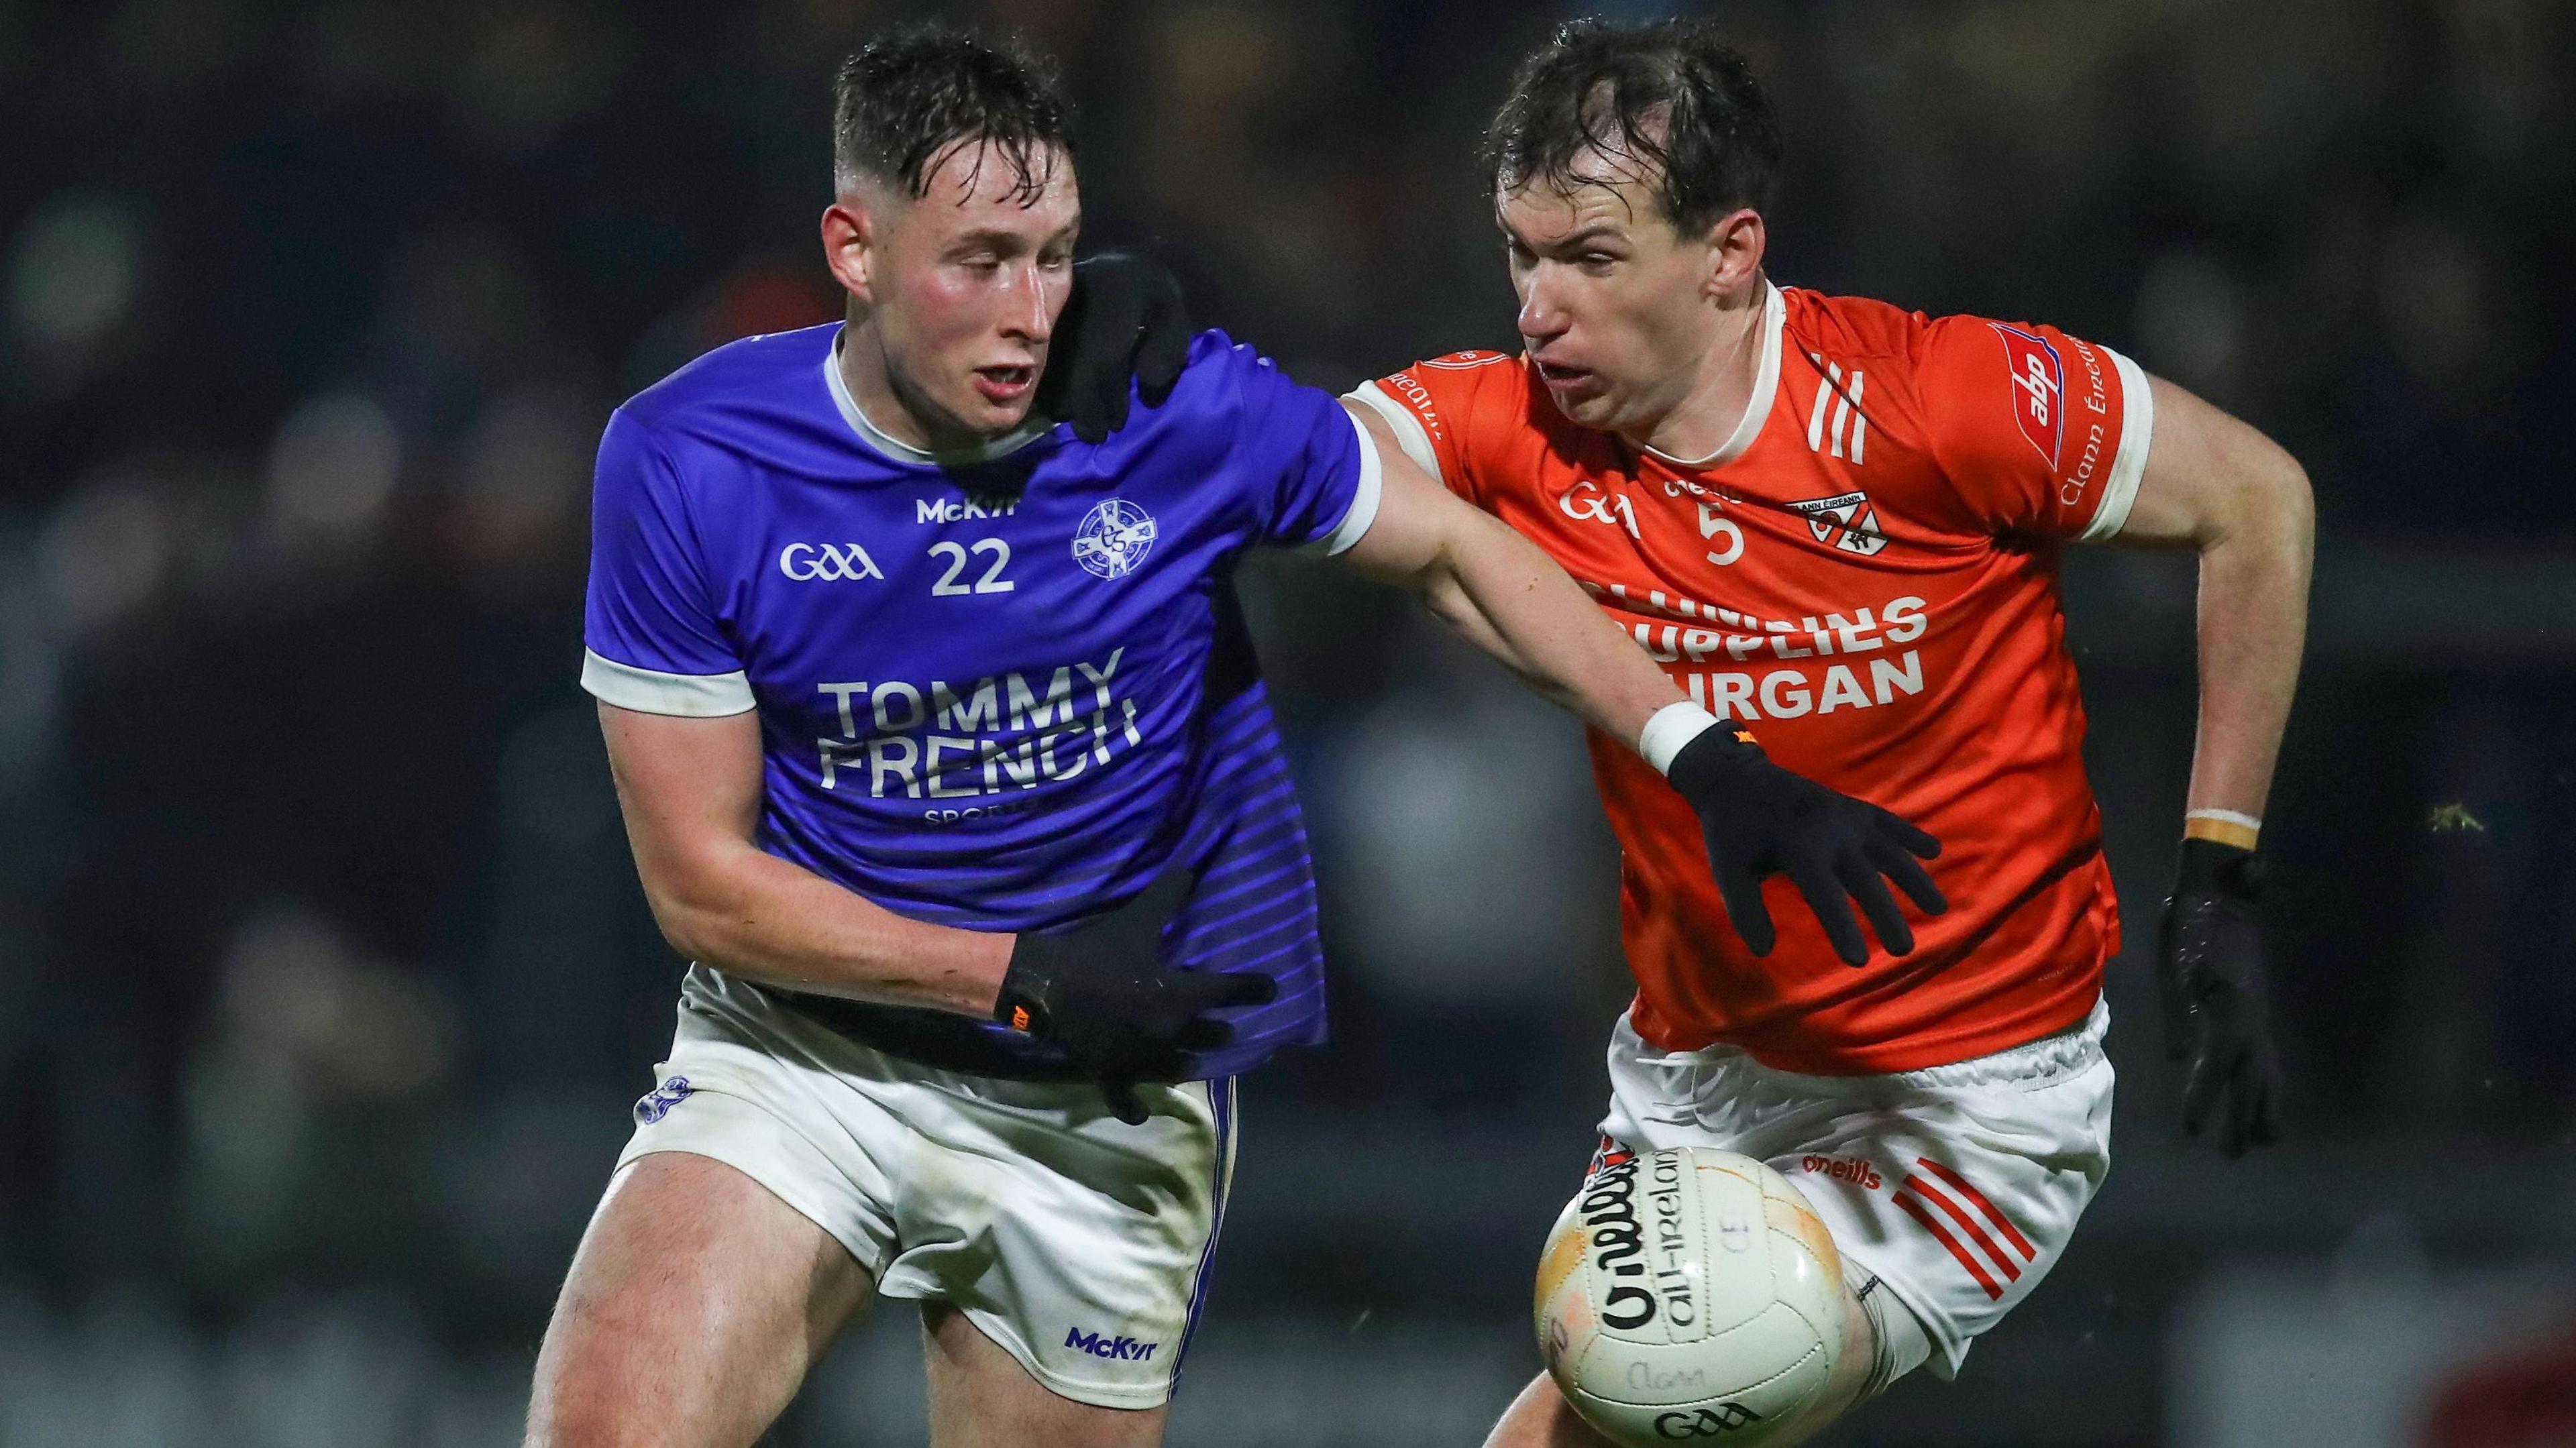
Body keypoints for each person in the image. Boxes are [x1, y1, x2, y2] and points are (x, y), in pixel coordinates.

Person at [527, 24, 1937, 1448]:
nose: (1029, 310)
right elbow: (698, 883)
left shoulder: (1170, 410)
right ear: (855, 249)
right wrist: (1008, 975)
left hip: (1106, 1105)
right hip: (811, 1059)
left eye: (1055, 253)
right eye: (978, 262)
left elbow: (1455, 551)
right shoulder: (695, 457)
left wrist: (1704, 755)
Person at [1334, 17, 2312, 1440]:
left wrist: (2222, 871)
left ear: (1729, 253)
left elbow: (2259, 503)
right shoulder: (1515, 428)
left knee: (1657, 1393)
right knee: (1591, 1413)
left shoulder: (1940, 401)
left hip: (1970, 1103)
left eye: (1592, 260)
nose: (1539, 307)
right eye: (1521, 254)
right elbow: (1315, 476)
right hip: (1699, 1074)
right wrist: (1155, 377)